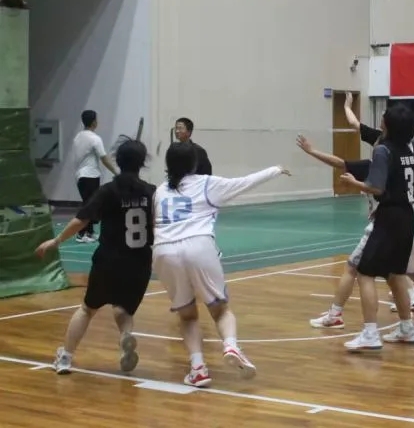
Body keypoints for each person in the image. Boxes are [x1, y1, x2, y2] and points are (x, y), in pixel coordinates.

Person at [152, 141, 289, 386]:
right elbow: (244, 183)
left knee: (187, 316)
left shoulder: (160, 191)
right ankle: (231, 346)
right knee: (220, 310)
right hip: (198, 245)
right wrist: (275, 169)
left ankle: (198, 368)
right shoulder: (206, 184)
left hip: (163, 250)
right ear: (194, 163)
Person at [296, 134, 414, 329]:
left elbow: (341, 164)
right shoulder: (404, 164)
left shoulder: (374, 166)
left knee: (355, 269)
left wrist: (312, 151)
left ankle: (338, 316)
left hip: (383, 225)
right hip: (406, 224)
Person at [36, 139, 154, 375]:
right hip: (140, 262)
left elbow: (81, 220)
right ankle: (125, 337)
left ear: (118, 161)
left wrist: (56, 241)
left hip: (109, 260)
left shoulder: (108, 191)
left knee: (87, 309)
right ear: (142, 163)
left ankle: (65, 357)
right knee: (124, 308)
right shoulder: (152, 192)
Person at [336, 104, 414, 351]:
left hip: (390, 216)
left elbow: (376, 187)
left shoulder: (383, 150)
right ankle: (407, 328)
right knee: (396, 274)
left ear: (388, 124)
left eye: (384, 117)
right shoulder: (407, 149)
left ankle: (370, 333)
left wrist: (354, 182)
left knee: (365, 272)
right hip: (407, 215)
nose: (381, 119)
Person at [71, 110, 118, 243]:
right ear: (94, 122)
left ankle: (89, 232)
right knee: (89, 205)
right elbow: (104, 158)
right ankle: (81, 233)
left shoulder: (78, 137)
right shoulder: (95, 139)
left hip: (80, 175)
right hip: (90, 176)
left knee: (91, 204)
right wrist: (116, 172)